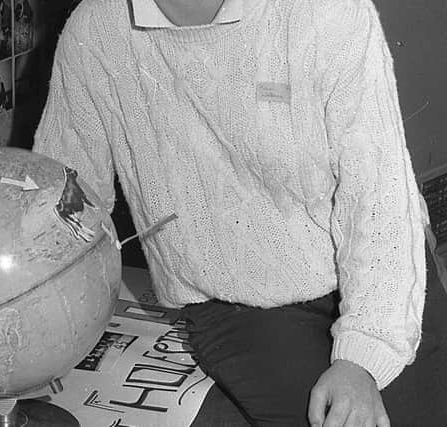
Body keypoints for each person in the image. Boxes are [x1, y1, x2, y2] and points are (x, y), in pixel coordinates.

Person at [32, 0, 447, 425]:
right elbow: (66, 202)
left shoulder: (328, 12)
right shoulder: (96, 30)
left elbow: (379, 200)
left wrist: (363, 359)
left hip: (379, 269)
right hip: (236, 304)